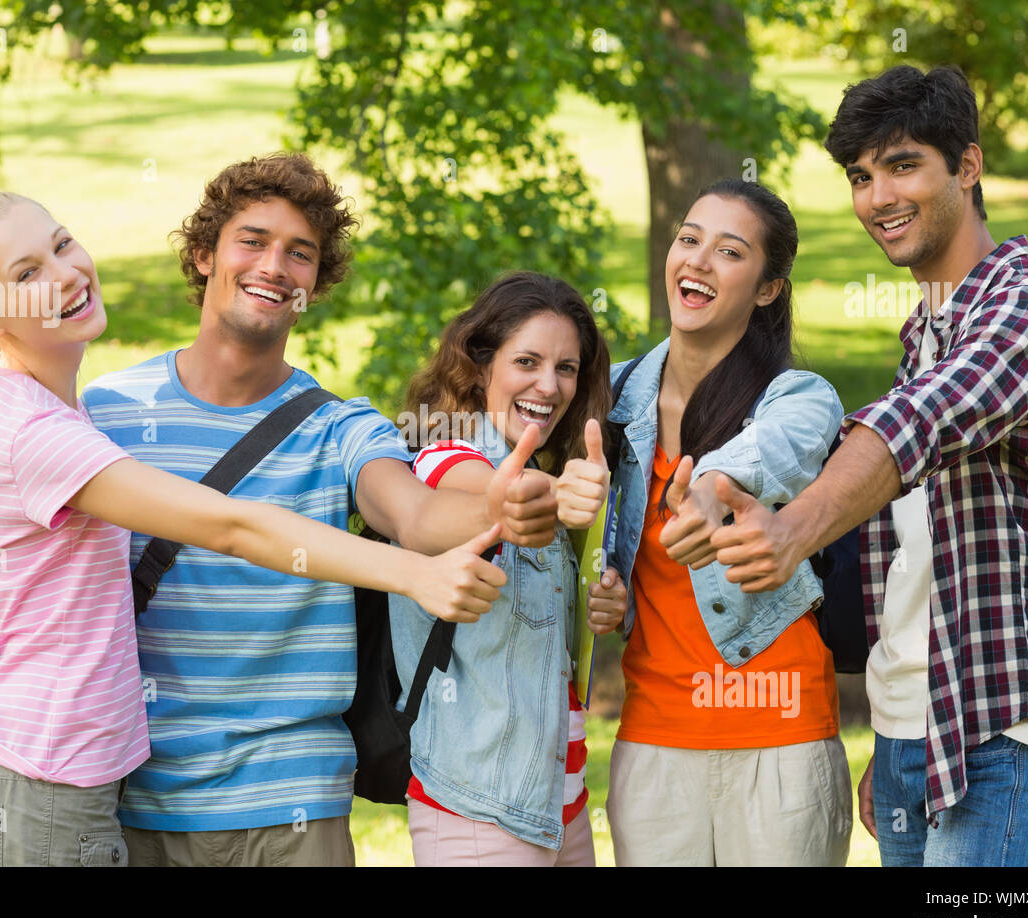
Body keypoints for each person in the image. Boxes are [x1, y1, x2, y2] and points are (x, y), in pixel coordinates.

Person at [0, 190, 509, 867]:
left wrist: (496, 503)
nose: (65, 273)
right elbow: (230, 526)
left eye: (61, 244)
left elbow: (407, 506)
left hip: (70, 779)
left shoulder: (59, 410)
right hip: (38, 783)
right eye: (27, 274)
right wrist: (416, 573)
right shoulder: (38, 431)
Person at [82, 154, 560, 867]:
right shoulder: (108, 413)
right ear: (203, 254)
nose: (275, 266)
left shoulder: (341, 427)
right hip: (136, 796)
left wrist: (495, 509)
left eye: (299, 253)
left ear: (315, 283)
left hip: (294, 804)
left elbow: (414, 516)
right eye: (253, 241)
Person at [711, 65, 1028, 866]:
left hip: (1005, 729)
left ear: (968, 166)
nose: (878, 197)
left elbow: (919, 424)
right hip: (912, 733)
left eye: (902, 165)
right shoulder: (923, 336)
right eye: (861, 176)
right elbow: (915, 558)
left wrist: (791, 529)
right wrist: (892, 736)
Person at [558, 178, 852, 866]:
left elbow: (779, 447)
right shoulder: (610, 401)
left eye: (730, 251)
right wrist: (605, 589)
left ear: (768, 289)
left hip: (783, 740)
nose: (697, 260)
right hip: (655, 744)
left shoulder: (798, 398)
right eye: (689, 239)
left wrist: (716, 490)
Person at [388, 271, 625, 866]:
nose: (548, 385)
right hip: (477, 808)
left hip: (562, 803)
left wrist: (601, 604)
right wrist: (555, 493)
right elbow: (494, 493)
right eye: (526, 361)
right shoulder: (444, 453)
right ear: (479, 367)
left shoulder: (547, 469)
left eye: (566, 368)